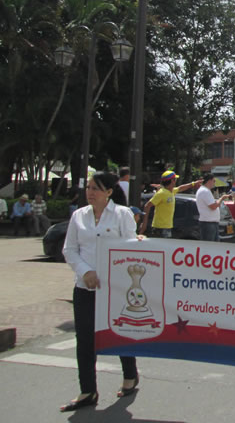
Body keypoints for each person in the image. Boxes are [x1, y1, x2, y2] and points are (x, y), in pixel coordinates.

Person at [60, 171, 142, 412]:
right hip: (84, 287)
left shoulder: (122, 214)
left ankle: (130, 375)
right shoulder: (79, 216)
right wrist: (85, 271)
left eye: (96, 188)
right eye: (88, 187)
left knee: (119, 332)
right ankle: (87, 390)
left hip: (114, 289)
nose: (90, 192)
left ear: (108, 192)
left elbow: (128, 250)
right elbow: (69, 249)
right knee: (84, 339)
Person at [141, 170, 200, 237]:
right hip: (160, 228)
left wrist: (193, 183)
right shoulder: (161, 193)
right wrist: (144, 223)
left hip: (167, 227)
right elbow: (147, 206)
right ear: (172, 180)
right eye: (175, 179)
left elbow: (180, 188)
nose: (176, 181)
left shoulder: (171, 191)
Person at [195, 174, 230, 242]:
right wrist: (222, 198)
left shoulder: (205, 191)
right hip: (208, 223)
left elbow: (213, 205)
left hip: (210, 223)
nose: (214, 183)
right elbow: (213, 206)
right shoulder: (205, 191)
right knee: (209, 246)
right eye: (214, 181)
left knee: (213, 246)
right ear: (209, 181)